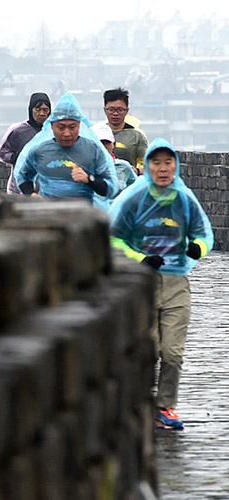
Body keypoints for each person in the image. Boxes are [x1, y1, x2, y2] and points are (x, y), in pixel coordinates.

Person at [108, 138, 213, 430]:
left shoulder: (184, 199)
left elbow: (203, 234)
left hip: (176, 282)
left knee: (173, 351)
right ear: (147, 166)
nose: (163, 168)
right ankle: (139, 400)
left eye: (168, 162)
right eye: (156, 162)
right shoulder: (133, 199)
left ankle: (165, 406)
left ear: (175, 166)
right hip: (143, 283)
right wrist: (140, 258)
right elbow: (114, 237)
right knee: (149, 347)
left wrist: (197, 249)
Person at [13, 93, 119, 203]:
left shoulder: (93, 150)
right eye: (61, 127)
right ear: (52, 126)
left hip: (84, 214)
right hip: (48, 213)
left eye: (72, 127)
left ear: (79, 125)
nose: (67, 133)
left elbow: (110, 188)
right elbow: (22, 176)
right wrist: (31, 194)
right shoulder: (39, 150)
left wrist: (89, 180)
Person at [0, 93, 52, 194]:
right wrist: (19, 158)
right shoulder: (18, 130)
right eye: (38, 109)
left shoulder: (53, 132)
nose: (42, 113)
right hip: (19, 189)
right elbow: (2, 152)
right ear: (31, 110)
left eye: (45, 110)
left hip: (46, 189)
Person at [104, 87, 149, 173]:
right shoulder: (96, 133)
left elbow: (149, 165)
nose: (115, 114)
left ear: (127, 111)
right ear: (105, 110)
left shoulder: (136, 136)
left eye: (120, 110)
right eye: (111, 110)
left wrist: (137, 171)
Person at [92, 122, 137, 189]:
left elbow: (136, 190)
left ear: (113, 145)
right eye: (100, 142)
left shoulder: (123, 166)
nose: (103, 146)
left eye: (107, 142)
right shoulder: (84, 168)